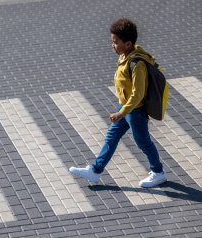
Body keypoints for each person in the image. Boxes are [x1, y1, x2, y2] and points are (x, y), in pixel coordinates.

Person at [69, 18, 167, 188]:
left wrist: (121, 113)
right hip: (126, 107)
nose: (112, 45)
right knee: (112, 137)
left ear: (128, 43)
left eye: (115, 42)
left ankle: (158, 172)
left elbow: (138, 94)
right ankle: (95, 171)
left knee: (143, 142)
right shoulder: (126, 56)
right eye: (112, 41)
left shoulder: (137, 64)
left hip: (135, 110)